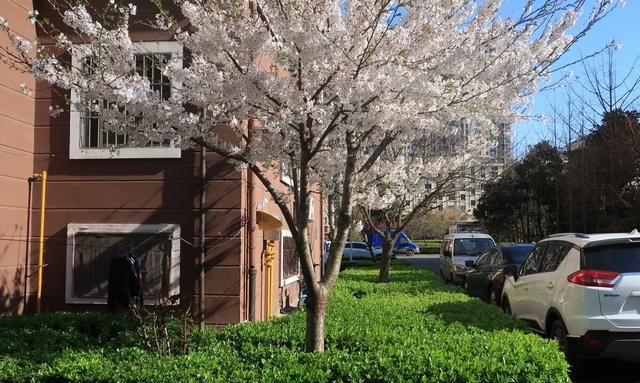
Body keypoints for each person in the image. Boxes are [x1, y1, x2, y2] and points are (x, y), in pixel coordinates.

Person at [107, 240, 143, 313]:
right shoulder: (116, 260)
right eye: (124, 246)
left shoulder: (133, 260)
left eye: (129, 246)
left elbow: (136, 275)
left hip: (133, 290)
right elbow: (114, 279)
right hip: (120, 291)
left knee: (132, 310)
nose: (127, 248)